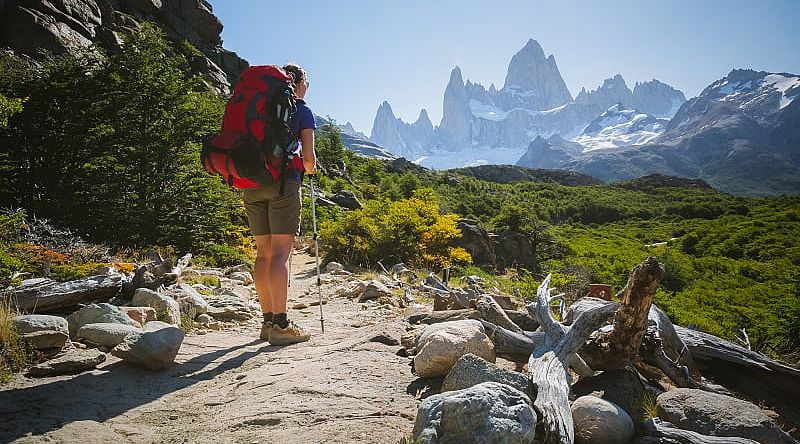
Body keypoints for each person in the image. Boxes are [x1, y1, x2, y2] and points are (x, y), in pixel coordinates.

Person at [243, 63, 317, 345]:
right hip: (283, 183)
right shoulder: (301, 109)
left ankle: (266, 322)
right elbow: (308, 160)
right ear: (298, 83)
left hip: (251, 184)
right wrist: (310, 168)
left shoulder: (259, 104)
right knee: (280, 255)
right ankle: (281, 324)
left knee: (263, 253)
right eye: (306, 83)